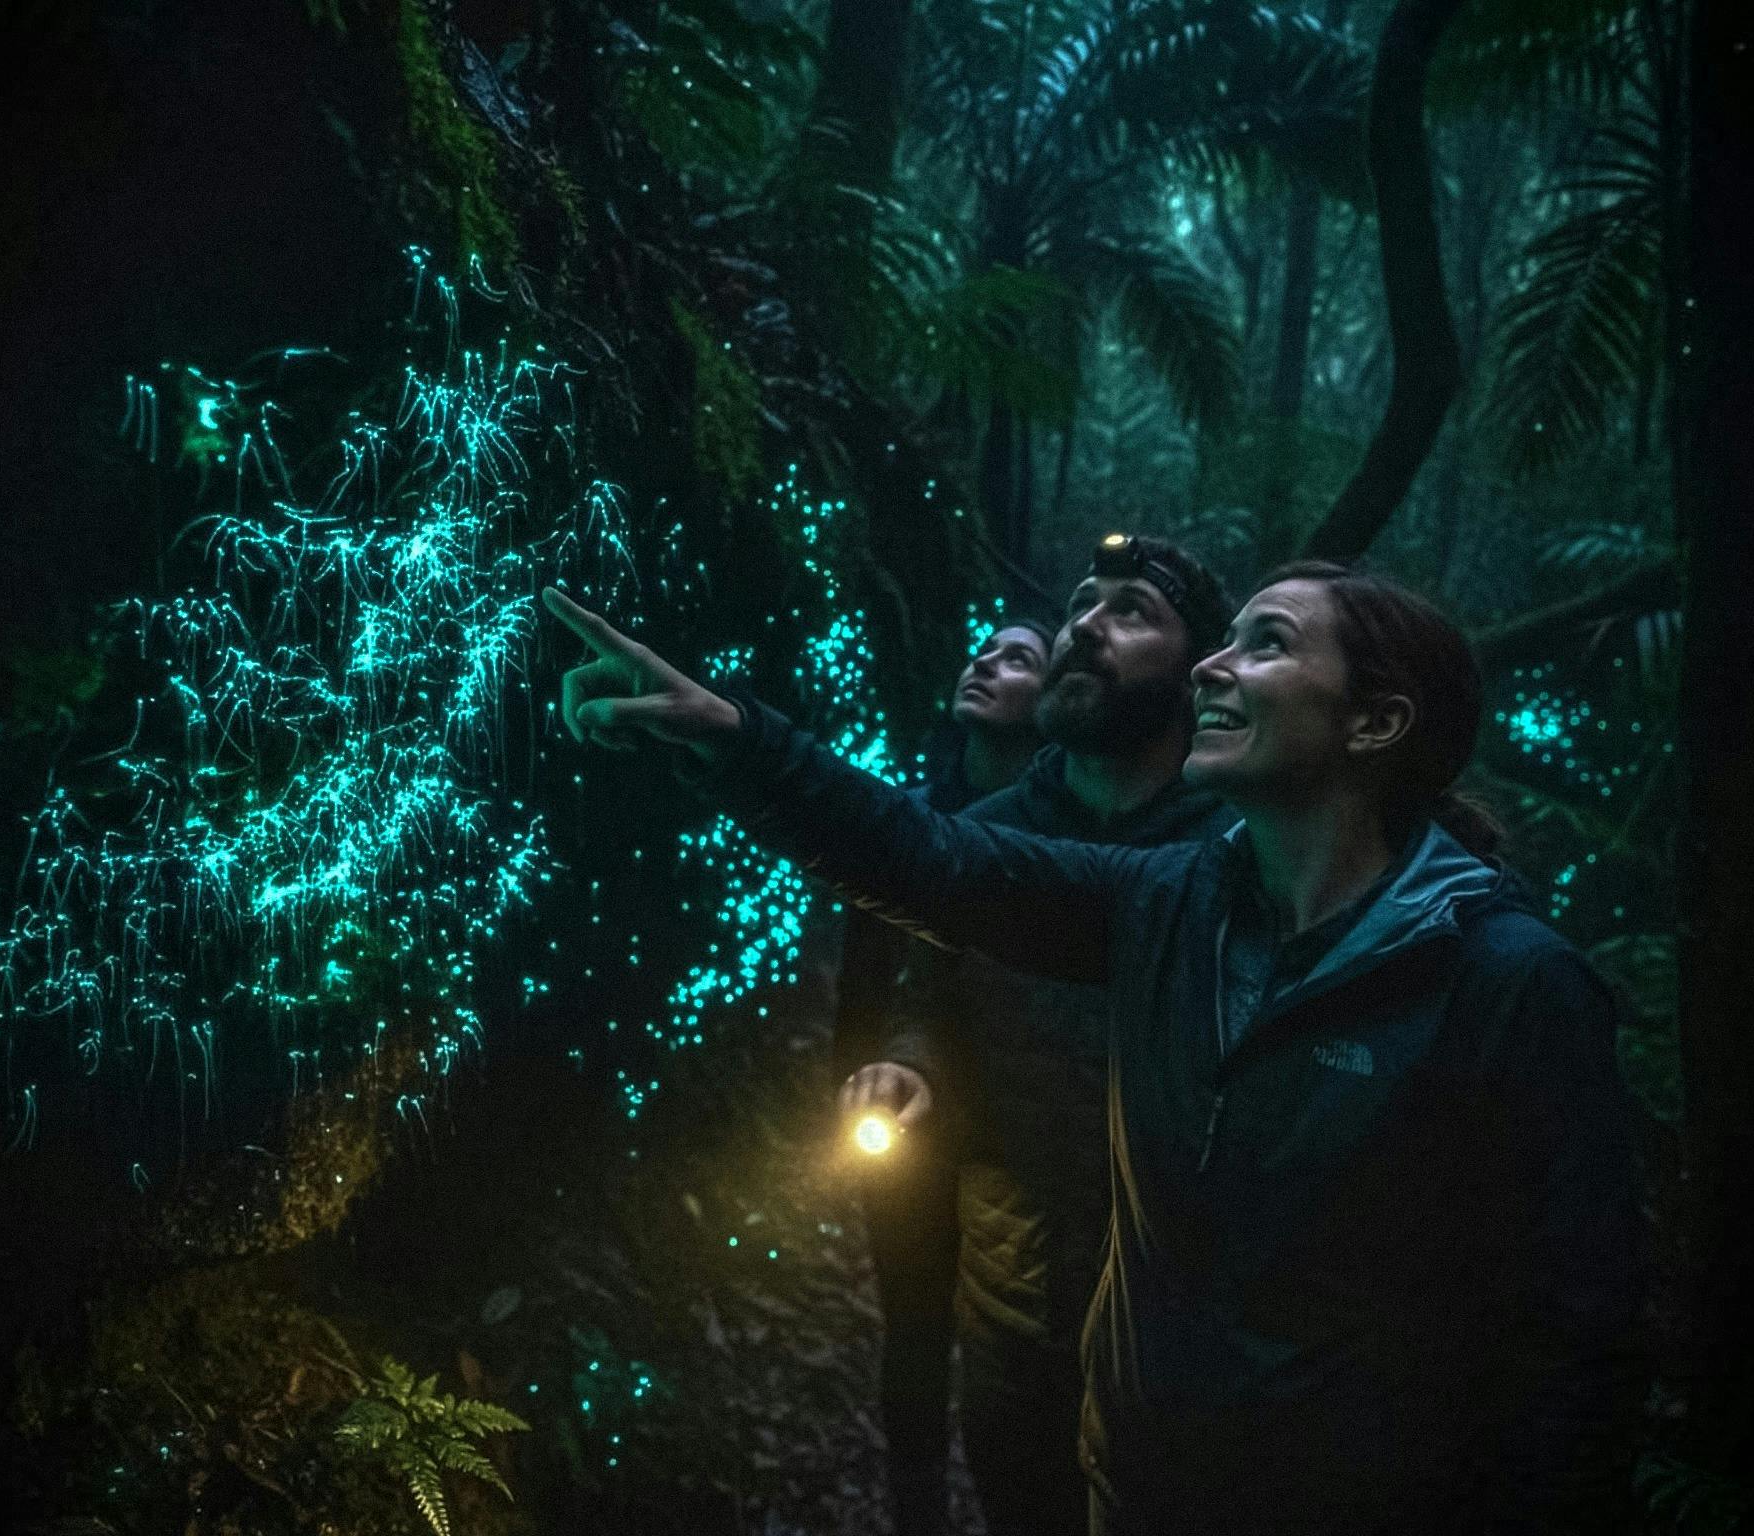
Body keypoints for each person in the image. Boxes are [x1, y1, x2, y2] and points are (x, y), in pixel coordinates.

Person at [544, 559, 1645, 1534]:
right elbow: (938, 865)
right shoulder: (1171, 904)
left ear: (1375, 723)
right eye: (1223, 639)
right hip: (1134, 1485)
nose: (1213, 668)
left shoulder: (1507, 982)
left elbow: (1573, 1346)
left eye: (1265, 644)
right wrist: (735, 738)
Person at [840, 536, 1235, 1535]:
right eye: (1081, 604)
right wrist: (909, 1064)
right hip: (1010, 1302)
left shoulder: (1240, 848)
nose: (1086, 626)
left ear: (1200, 671)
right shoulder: (992, 826)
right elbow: (931, 996)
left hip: (1179, 1330)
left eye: (1132, 610)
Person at [830, 616, 1051, 1534]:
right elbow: (866, 979)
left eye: (1018, 658)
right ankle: (917, 1507)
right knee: (915, 1322)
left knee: (1023, 1344)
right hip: (904, 1115)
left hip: (1017, 1128)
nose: (985, 661)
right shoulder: (909, 817)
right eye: (984, 648)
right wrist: (855, 1081)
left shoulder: (1069, 834)